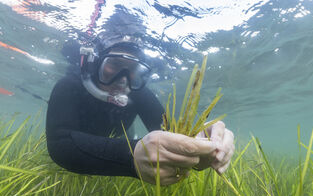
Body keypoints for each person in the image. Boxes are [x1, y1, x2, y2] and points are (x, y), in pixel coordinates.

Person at [46, 31, 235, 186]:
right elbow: (60, 144)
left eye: (132, 70)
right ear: (96, 63)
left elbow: (170, 133)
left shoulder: (137, 93)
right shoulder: (70, 85)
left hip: (119, 135)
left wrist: (200, 141)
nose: (123, 78)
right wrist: (132, 155)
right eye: (114, 64)